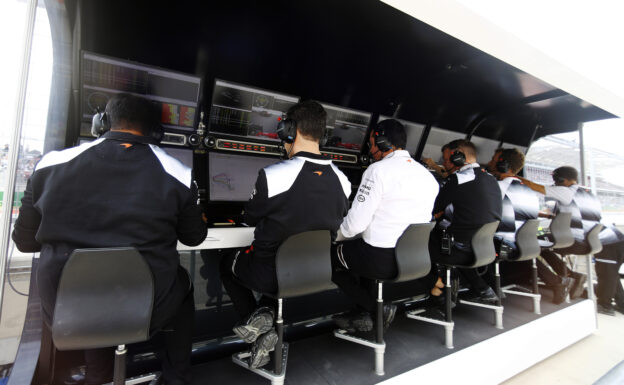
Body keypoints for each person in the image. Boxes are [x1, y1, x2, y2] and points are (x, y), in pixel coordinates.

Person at [12, 93, 207, 385]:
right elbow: (194, 238)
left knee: (89, 283)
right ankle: (177, 378)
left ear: (101, 123)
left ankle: (98, 375)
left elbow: (25, 241)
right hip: (149, 309)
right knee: (183, 283)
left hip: (66, 307)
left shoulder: (50, 164)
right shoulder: (178, 173)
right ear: (157, 132)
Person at [219, 100, 350, 368]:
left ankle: (258, 324)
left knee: (226, 262)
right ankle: (265, 316)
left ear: (290, 130)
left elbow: (251, 218)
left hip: (269, 274)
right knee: (279, 269)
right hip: (316, 273)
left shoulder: (273, 175)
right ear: (321, 134)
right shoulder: (343, 180)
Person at [331, 119, 439, 331]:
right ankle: (362, 314)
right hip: (413, 258)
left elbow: (354, 226)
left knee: (327, 257)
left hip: (380, 260)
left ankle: (375, 308)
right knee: (359, 250)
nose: (370, 149)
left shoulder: (377, 170)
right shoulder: (428, 177)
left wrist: (332, 236)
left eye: (372, 143)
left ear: (382, 142)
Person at [427, 139, 503, 305]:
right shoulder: (491, 179)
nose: (444, 163)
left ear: (458, 158)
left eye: (446, 159)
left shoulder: (459, 179)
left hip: (459, 249)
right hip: (484, 247)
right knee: (455, 233)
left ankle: (438, 293)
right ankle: (481, 288)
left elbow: (433, 210)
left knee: (421, 240)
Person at [517, 166, 599, 300]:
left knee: (525, 240)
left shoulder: (566, 191)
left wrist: (513, 176)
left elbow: (534, 186)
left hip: (572, 239)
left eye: (556, 181)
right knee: (540, 243)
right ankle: (572, 275)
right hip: (589, 240)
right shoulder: (588, 192)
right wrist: (546, 215)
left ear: (563, 180)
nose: (554, 184)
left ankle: (555, 281)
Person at [595, 224, 624, 315]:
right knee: (611, 273)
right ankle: (621, 303)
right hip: (617, 239)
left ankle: (604, 305)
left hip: (608, 241)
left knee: (606, 273)